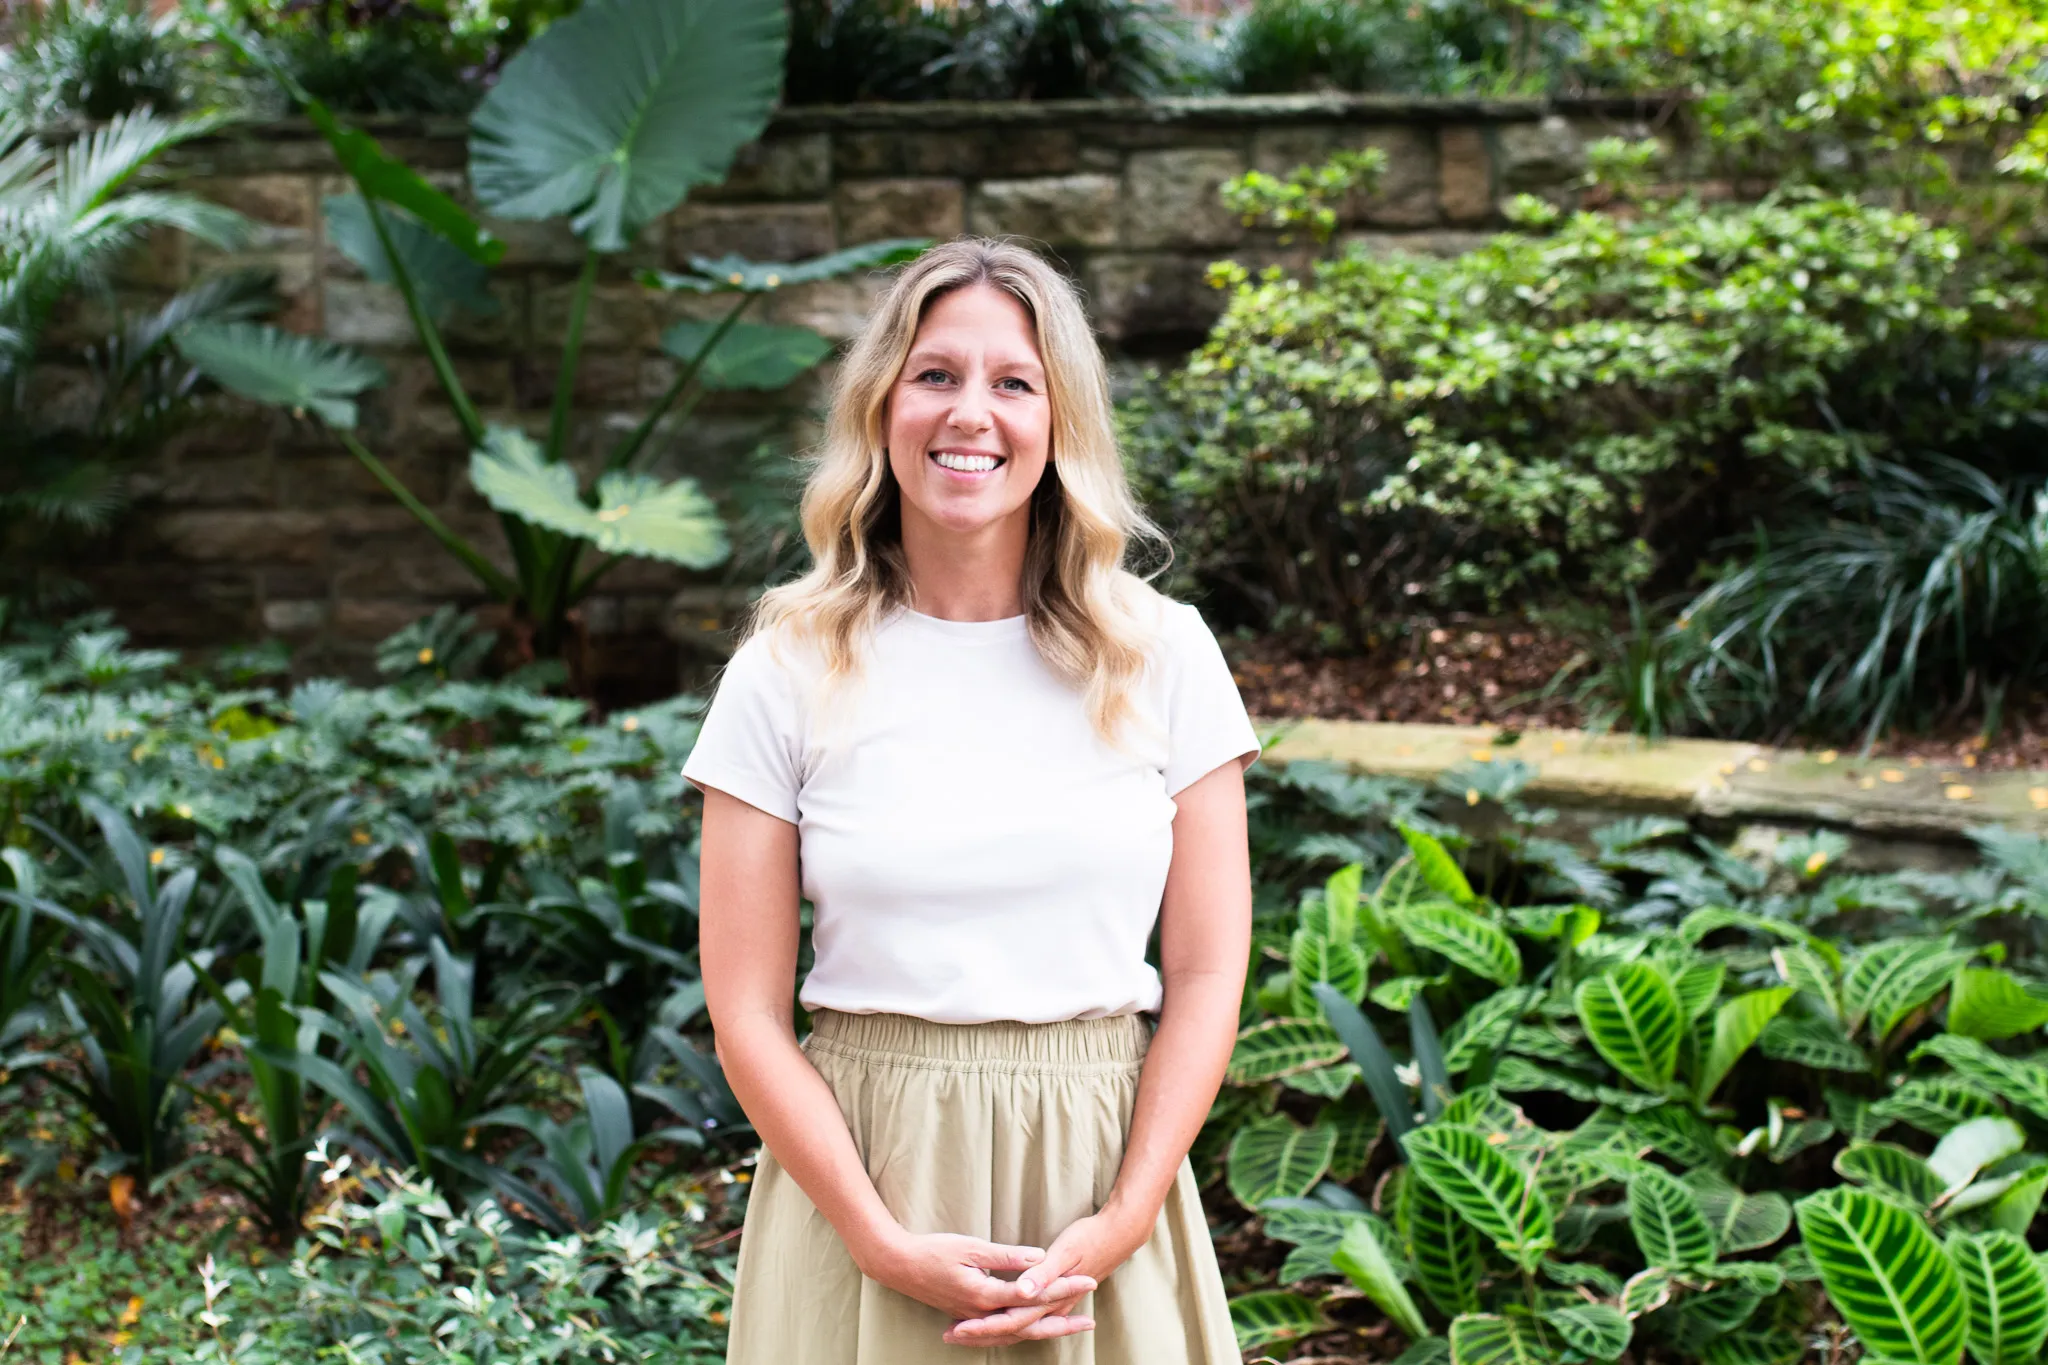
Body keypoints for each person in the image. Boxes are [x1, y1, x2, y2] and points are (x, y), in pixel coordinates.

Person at [682, 235, 1260, 1362]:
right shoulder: (784, 668)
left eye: (1014, 383)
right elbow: (744, 1010)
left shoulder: (1165, 655)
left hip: (1100, 1176)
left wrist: (1126, 1214)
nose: (969, 414)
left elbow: (1204, 975)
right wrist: (876, 1238)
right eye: (935, 375)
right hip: (866, 1180)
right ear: (881, 404)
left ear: (1061, 419)